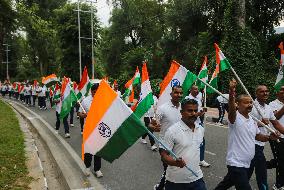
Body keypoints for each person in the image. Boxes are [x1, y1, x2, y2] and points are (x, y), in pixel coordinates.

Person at [214, 79, 279, 190]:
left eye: (250, 102)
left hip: (246, 162)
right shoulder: (234, 118)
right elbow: (231, 107)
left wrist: (269, 137)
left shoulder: (252, 120)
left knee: (226, 184)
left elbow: (258, 136)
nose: (249, 104)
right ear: (237, 105)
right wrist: (231, 92)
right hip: (236, 163)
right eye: (246, 102)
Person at [161, 98, 207, 190]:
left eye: (195, 110)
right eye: (189, 111)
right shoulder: (172, 131)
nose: (193, 113)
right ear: (181, 112)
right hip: (176, 181)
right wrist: (175, 163)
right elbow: (164, 155)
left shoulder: (200, 129)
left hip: (197, 178)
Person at [249, 85, 284, 190]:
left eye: (267, 91)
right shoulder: (251, 106)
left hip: (261, 145)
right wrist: (260, 124)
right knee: (258, 172)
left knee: (253, 172)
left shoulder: (267, 108)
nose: (265, 93)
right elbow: (244, 125)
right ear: (256, 94)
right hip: (250, 144)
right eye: (262, 91)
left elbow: (276, 123)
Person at [153, 85, 183, 190]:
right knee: (169, 169)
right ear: (171, 94)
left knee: (173, 171)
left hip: (179, 145)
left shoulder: (183, 108)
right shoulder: (162, 108)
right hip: (165, 145)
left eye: (180, 93)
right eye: (176, 92)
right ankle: (161, 187)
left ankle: (160, 187)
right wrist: (155, 126)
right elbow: (152, 125)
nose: (178, 95)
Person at [78, 83, 103, 178]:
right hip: (88, 129)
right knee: (88, 149)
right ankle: (87, 167)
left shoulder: (103, 100)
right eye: (95, 92)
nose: (96, 94)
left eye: (98, 92)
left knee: (98, 150)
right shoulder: (85, 101)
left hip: (99, 129)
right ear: (92, 91)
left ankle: (97, 169)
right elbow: (79, 113)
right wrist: (83, 115)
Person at [185, 85, 210, 168]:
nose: (197, 90)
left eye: (197, 89)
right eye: (195, 89)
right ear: (190, 90)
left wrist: (202, 112)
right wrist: (198, 114)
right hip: (189, 124)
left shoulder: (198, 100)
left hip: (198, 123)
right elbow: (188, 113)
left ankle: (201, 160)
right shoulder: (187, 99)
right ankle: (188, 159)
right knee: (189, 142)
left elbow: (199, 112)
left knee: (201, 141)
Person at [268, 86, 284, 190]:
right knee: (281, 162)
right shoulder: (272, 104)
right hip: (277, 137)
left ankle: (260, 164)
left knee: (281, 161)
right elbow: (276, 117)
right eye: (282, 90)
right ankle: (278, 185)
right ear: (277, 93)